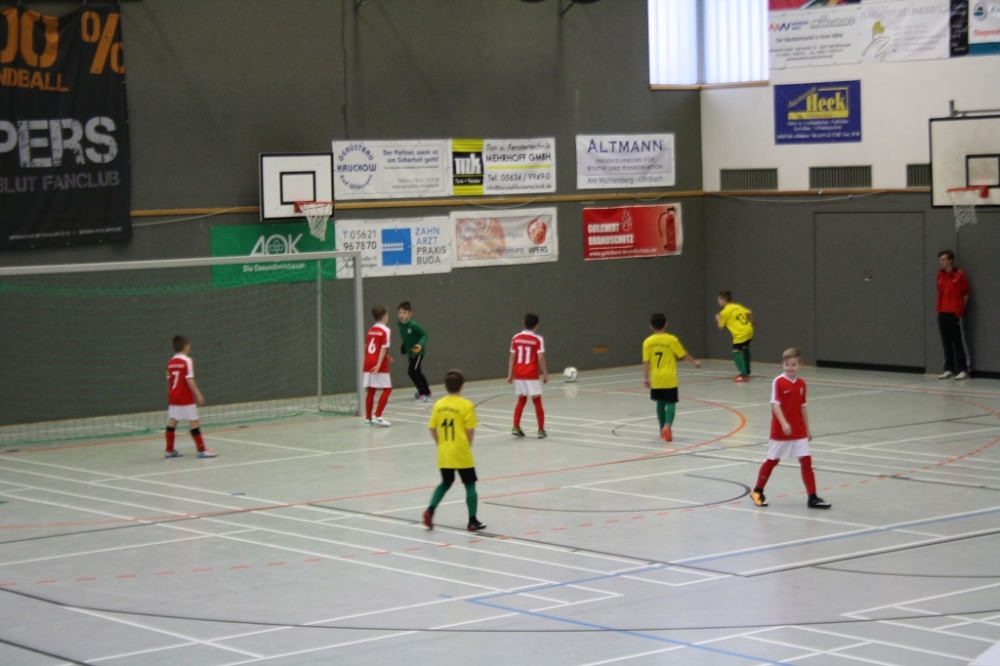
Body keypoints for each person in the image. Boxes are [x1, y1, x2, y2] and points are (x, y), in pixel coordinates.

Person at [750, 348, 831, 510]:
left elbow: (803, 407)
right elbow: (775, 405)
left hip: (798, 429)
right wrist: (784, 424)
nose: (790, 368)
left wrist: (807, 429)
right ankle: (757, 491)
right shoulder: (778, 382)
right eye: (787, 364)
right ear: (783, 364)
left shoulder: (801, 384)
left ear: (800, 365)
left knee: (806, 461)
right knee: (773, 460)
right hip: (780, 431)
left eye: (793, 365)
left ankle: (812, 498)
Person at [422, 370, 486, 532]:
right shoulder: (466, 405)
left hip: (444, 451)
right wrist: (468, 445)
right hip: (461, 451)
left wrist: (440, 443)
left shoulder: (439, 404)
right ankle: (472, 520)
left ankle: (430, 510)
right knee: (470, 484)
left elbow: (432, 427)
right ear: (462, 386)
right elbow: (470, 430)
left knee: (445, 482)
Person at [642, 313, 700, 442]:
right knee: (671, 402)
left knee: (660, 403)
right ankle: (667, 426)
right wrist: (695, 362)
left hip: (656, 378)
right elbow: (683, 354)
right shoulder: (671, 340)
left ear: (651, 326)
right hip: (669, 378)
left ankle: (661, 430)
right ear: (666, 324)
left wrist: (645, 378)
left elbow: (646, 362)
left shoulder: (647, 342)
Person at [164, 336, 217, 459]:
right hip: (185, 397)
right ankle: (201, 450)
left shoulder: (169, 363)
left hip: (173, 397)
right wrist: (198, 394)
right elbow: (189, 379)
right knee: (194, 422)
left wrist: (171, 395)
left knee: (172, 421)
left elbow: (169, 382)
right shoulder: (187, 361)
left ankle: (169, 450)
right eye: (188, 345)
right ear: (185, 346)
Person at [507, 312, 549, 439]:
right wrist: (545, 374)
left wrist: (510, 374)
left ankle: (515, 426)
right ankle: (541, 430)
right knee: (537, 401)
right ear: (536, 325)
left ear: (523, 323)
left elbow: (512, 356)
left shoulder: (516, 337)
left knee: (521, 400)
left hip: (519, 373)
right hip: (531, 374)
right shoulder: (537, 339)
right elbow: (540, 358)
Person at [936, 250, 971, 380]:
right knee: (946, 342)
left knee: (958, 342)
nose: (941, 262)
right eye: (940, 260)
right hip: (942, 312)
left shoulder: (959, 274)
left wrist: (960, 309)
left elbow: (966, 294)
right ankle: (949, 368)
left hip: (954, 313)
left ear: (950, 260)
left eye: (944, 259)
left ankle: (963, 369)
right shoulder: (939, 275)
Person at [715, 290, 755, 382]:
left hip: (740, 334)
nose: (718, 301)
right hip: (749, 330)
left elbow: (721, 328)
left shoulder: (724, 313)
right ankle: (747, 370)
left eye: (719, 299)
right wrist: (752, 321)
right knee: (745, 348)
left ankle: (743, 374)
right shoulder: (736, 306)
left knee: (735, 352)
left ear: (723, 300)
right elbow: (749, 312)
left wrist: (718, 320)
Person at [363, 305, 393, 427]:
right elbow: (383, 348)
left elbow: (369, 347)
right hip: (377, 363)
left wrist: (385, 357)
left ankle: (367, 418)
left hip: (368, 361)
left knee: (371, 389)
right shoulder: (386, 330)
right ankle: (378, 415)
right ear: (385, 316)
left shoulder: (371, 329)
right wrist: (379, 364)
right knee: (388, 389)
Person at [397, 301, 432, 402]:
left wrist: (420, 344)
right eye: (400, 313)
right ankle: (427, 391)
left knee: (412, 372)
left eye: (404, 313)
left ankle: (423, 394)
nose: (401, 315)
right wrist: (404, 346)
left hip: (418, 352)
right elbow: (407, 337)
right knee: (418, 372)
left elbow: (424, 334)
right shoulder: (400, 324)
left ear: (410, 314)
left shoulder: (413, 325)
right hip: (410, 352)